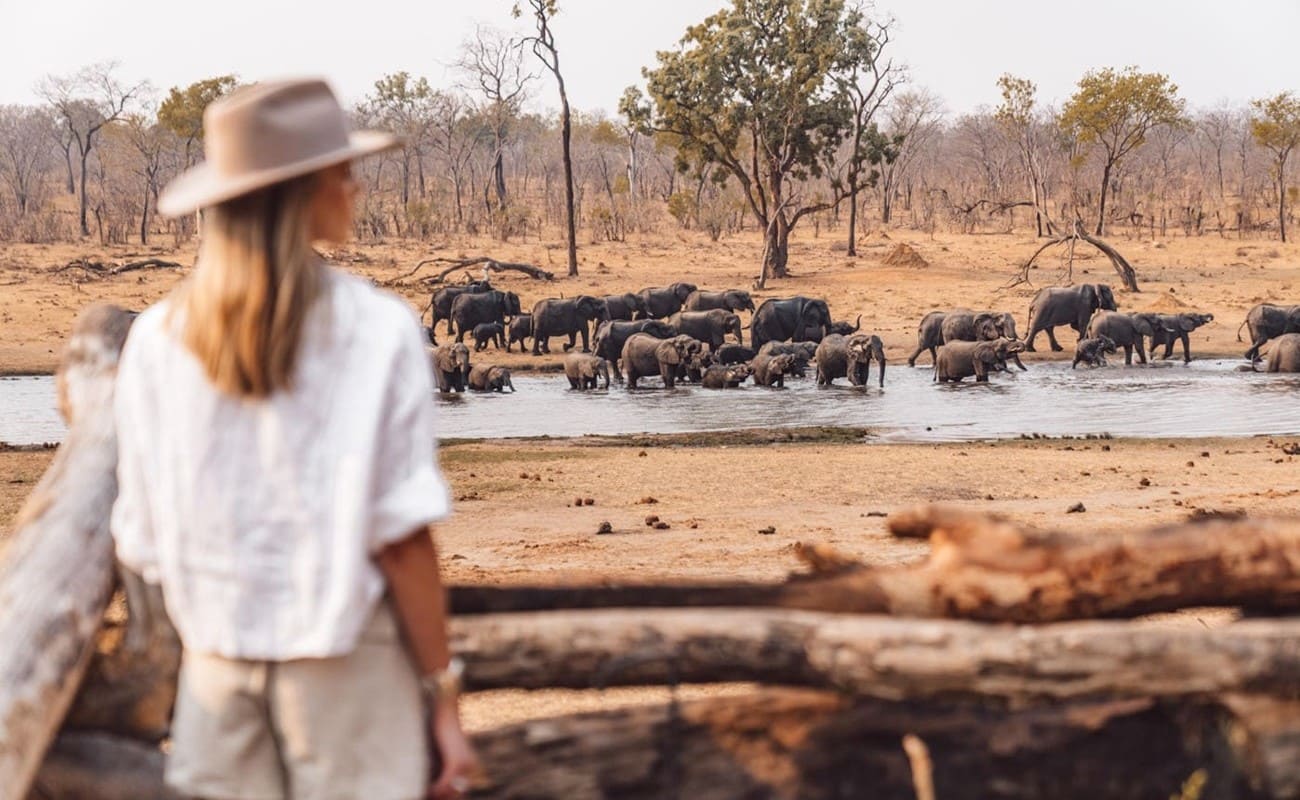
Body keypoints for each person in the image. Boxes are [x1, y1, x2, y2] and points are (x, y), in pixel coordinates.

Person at [110, 78, 478, 799]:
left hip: (215, 672)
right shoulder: (377, 330)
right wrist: (443, 697)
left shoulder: (156, 340)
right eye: (342, 171)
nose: (356, 186)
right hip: (345, 666)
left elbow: (142, 539)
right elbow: (401, 539)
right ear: (301, 192)